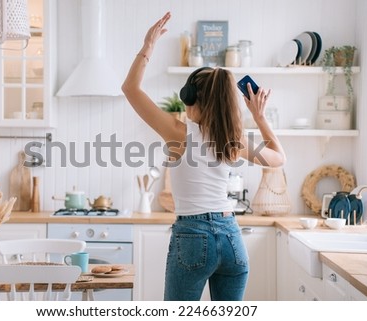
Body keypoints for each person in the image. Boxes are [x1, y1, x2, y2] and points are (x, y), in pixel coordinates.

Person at [122, 12, 286, 301]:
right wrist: (259, 117)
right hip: (231, 238)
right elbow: (278, 157)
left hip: (192, 236)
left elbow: (130, 89)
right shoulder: (231, 139)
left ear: (191, 98)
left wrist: (148, 46)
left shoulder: (178, 132)